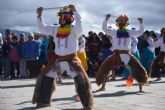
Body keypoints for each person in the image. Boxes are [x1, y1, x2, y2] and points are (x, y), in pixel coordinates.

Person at [32, 5, 93, 109]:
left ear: (71, 18)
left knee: (82, 81)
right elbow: (43, 28)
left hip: (72, 60)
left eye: (66, 16)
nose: (63, 19)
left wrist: (75, 11)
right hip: (57, 60)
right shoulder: (55, 29)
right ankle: (43, 102)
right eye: (61, 16)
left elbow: (80, 25)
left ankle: (87, 104)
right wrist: (39, 16)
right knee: (46, 77)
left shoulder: (75, 29)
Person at [96, 14, 148, 92]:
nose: (121, 22)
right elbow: (105, 29)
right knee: (105, 69)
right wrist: (106, 19)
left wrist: (141, 23)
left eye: (123, 20)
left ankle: (140, 88)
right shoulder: (114, 32)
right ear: (117, 21)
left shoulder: (130, 32)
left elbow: (140, 32)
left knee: (137, 70)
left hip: (127, 55)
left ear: (126, 22)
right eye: (120, 20)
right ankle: (103, 87)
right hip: (116, 55)